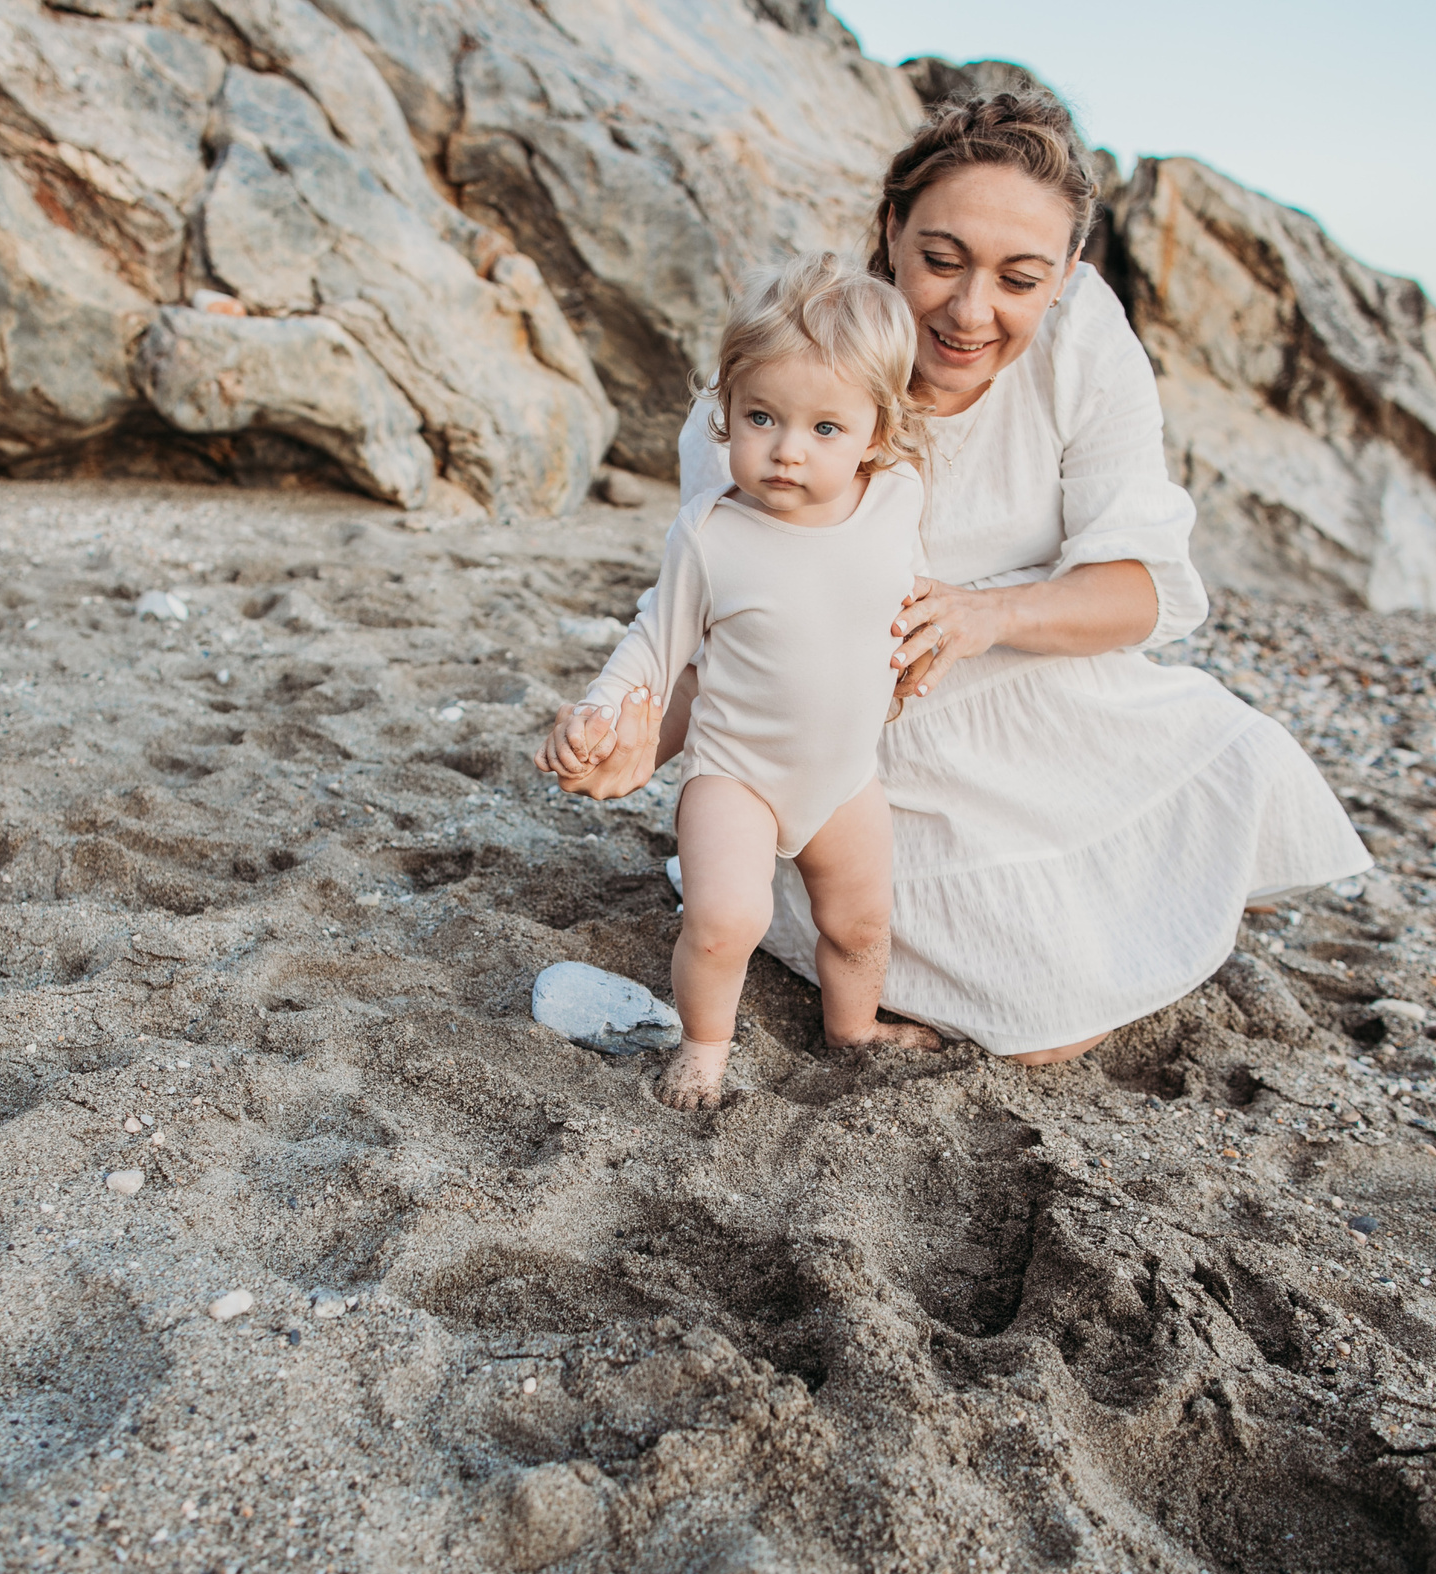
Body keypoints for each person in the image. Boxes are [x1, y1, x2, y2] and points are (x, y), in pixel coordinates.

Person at [549, 89, 1371, 1065]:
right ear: (890, 229)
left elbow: (1145, 592)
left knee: (1245, 770)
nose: (969, 312)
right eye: (940, 261)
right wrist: (635, 736)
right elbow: (706, 627)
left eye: (1020, 278)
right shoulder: (778, 398)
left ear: (1067, 272)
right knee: (1046, 1031)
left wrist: (984, 616)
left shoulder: (1084, 342)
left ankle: (1117, 901)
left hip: (1042, 682)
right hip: (864, 748)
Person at [535, 253, 942, 1109]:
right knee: (725, 923)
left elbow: (903, 585)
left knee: (862, 926)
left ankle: (853, 1028)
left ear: (877, 431)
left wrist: (916, 645)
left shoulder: (897, 495)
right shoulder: (712, 535)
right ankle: (705, 1044)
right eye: (762, 416)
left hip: (845, 772)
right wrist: (603, 715)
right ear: (726, 410)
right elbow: (655, 642)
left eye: (825, 429)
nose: (788, 450)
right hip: (737, 773)